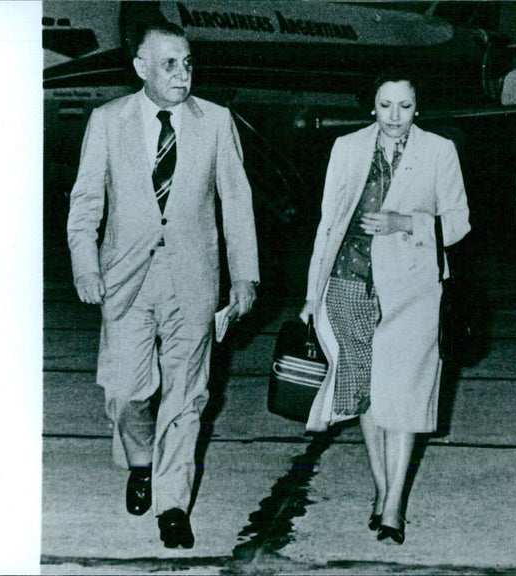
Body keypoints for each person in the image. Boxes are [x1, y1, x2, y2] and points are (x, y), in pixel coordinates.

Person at [66, 21, 259, 549]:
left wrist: (245, 276)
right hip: (124, 281)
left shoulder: (217, 122)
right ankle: (141, 461)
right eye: (169, 63)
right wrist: (85, 266)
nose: (182, 73)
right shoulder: (108, 121)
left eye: (188, 62)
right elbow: (85, 204)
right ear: (141, 68)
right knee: (126, 394)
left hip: (192, 283)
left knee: (187, 397)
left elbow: (237, 204)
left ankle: (173, 504)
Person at [299, 71, 470, 545]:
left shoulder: (439, 151)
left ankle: (394, 505)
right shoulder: (347, 148)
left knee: (405, 395)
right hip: (349, 282)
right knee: (369, 395)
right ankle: (382, 489)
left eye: (406, 107)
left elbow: (458, 223)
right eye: (386, 106)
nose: (396, 117)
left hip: (413, 290)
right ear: (372, 106)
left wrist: (404, 222)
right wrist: (313, 295)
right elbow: (327, 225)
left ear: (419, 108)